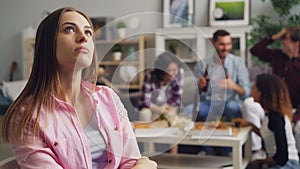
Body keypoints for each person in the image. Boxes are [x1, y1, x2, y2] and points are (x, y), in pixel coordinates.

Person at [1, 7, 157, 169]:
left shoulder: (109, 98)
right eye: (69, 29)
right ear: (48, 43)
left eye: (88, 32)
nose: (83, 37)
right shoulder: (26, 116)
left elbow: (129, 161)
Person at [185, 29, 250, 122]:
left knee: (232, 108)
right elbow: (194, 95)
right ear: (213, 43)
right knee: (187, 111)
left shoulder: (238, 63)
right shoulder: (202, 64)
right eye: (222, 44)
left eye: (228, 44)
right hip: (209, 104)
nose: (226, 48)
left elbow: (247, 92)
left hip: (230, 103)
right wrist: (199, 86)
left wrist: (233, 86)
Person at [240, 74, 300, 169]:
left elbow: (282, 158)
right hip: (280, 163)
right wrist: (250, 125)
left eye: (254, 87)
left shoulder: (276, 119)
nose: (252, 90)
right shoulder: (269, 115)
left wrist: (260, 161)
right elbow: (269, 135)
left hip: (288, 164)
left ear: (261, 92)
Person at [250, 26, 300, 123]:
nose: (282, 42)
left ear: (297, 43)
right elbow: (255, 50)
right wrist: (275, 37)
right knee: (248, 104)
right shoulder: (278, 55)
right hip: (273, 106)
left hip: (294, 109)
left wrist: (294, 118)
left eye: (285, 38)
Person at [139, 51, 184, 122]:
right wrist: (159, 110)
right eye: (169, 70)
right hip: (152, 106)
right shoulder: (149, 76)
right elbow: (145, 101)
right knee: (145, 114)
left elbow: (177, 97)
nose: (173, 73)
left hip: (170, 106)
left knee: (169, 115)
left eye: (175, 70)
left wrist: (165, 107)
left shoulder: (179, 73)